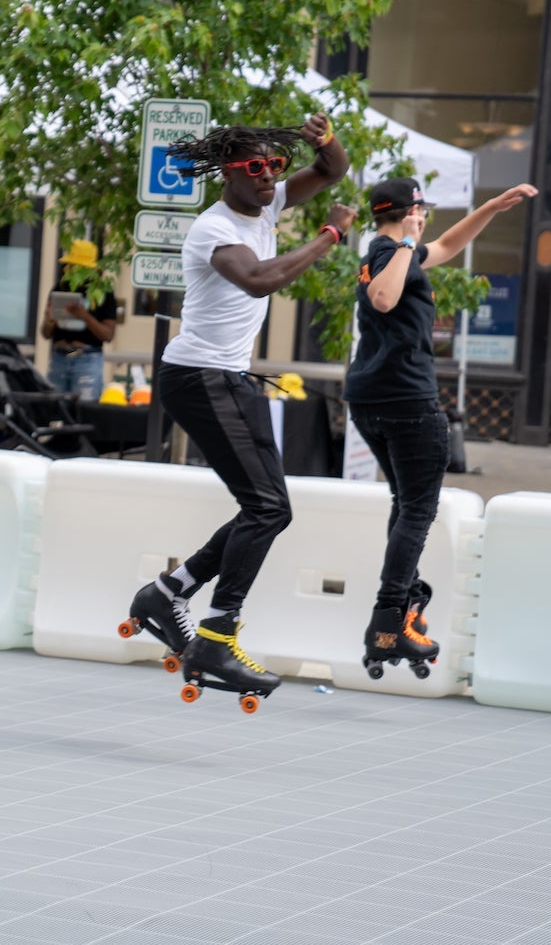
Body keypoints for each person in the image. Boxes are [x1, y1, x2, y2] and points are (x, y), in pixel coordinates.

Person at [121, 116, 352, 707]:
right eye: (257, 168)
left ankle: (169, 592)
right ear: (228, 172)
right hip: (198, 377)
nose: (271, 177)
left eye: (276, 166)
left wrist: (323, 140)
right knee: (267, 507)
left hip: (228, 378)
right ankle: (217, 634)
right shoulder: (213, 228)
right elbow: (256, 280)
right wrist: (328, 237)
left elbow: (333, 170)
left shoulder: (266, 206)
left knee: (271, 510)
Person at [346, 177, 536, 678]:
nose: (425, 219)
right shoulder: (394, 253)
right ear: (408, 213)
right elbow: (385, 299)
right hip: (407, 399)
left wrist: (491, 207)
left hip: (370, 398)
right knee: (418, 509)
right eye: (420, 211)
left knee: (404, 504)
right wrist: (409, 240)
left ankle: (402, 604)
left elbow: (448, 246)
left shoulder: (384, 250)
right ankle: (390, 620)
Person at [40, 238, 117, 401]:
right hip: (59, 358)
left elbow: (108, 335)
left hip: (87, 360)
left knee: (84, 413)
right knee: (54, 410)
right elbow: (45, 334)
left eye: (77, 266)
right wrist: (49, 320)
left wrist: (85, 317)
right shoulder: (60, 288)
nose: (70, 269)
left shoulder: (104, 293)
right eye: (70, 265)